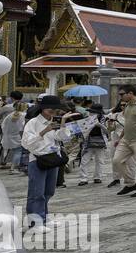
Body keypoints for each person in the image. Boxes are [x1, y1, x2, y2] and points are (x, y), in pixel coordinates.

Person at [21, 95, 90, 229]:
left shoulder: (54, 120)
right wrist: (44, 131)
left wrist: (63, 123)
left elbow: (62, 138)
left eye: (55, 108)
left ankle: (44, 218)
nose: (52, 111)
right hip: (38, 159)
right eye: (50, 108)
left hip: (53, 159)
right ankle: (35, 222)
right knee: (37, 193)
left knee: (48, 191)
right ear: (42, 108)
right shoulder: (33, 122)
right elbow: (26, 143)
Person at [76, 104, 109, 185]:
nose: (91, 114)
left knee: (100, 160)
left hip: (101, 142)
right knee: (84, 160)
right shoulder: (87, 119)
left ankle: (98, 177)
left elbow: (108, 131)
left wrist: (99, 125)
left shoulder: (104, 119)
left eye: (93, 112)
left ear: (99, 113)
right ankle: (83, 179)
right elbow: (82, 129)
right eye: (91, 112)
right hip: (88, 141)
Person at [0, 103, 26, 175]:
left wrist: (6, 133)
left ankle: (12, 166)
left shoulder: (9, 115)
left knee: (14, 152)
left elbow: (3, 125)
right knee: (18, 151)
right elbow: (23, 127)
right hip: (18, 136)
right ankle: (13, 168)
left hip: (8, 136)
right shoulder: (24, 115)